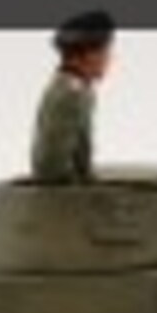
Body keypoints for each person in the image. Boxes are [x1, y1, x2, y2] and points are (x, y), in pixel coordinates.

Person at [30, 10, 115, 183]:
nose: (108, 60)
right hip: (60, 195)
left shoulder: (80, 91)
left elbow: (81, 155)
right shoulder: (69, 95)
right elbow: (51, 167)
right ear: (77, 58)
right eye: (101, 53)